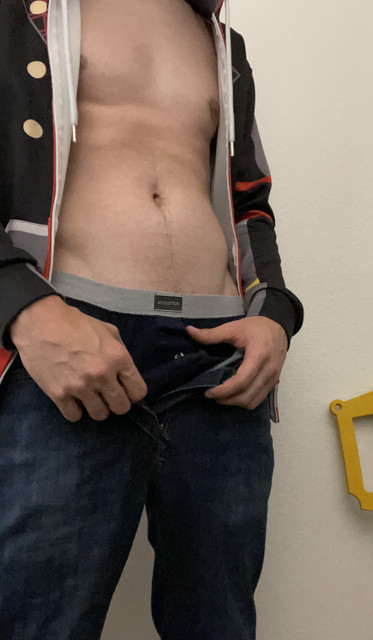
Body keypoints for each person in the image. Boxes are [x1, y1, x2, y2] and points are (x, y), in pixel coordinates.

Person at [0, 0, 303, 638]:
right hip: (71, 341)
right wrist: (24, 309)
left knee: (219, 624)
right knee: (41, 620)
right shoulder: (17, 15)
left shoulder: (222, 41)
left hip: (220, 354)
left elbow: (250, 204)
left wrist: (274, 312)